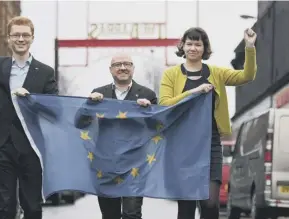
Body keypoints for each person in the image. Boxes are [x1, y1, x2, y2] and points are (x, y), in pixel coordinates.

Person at [159, 27, 257, 219]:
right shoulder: (171, 75)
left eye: (198, 44)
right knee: (186, 208)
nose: (193, 48)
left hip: (210, 143)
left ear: (204, 48)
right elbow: (164, 104)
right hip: (182, 145)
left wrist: (249, 47)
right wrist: (193, 92)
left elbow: (247, 75)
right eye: (189, 43)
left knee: (210, 203)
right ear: (182, 46)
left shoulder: (216, 73)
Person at [0, 16, 58, 219]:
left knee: (32, 207)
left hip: (32, 147)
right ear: (9, 38)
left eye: (25, 35)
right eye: (16, 34)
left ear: (32, 38)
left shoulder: (45, 72)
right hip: (2, 145)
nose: (20, 39)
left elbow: (53, 108)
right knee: (6, 207)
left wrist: (32, 99)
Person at [88, 53, 157, 219]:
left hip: (135, 165)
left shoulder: (147, 94)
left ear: (133, 68)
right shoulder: (98, 94)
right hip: (105, 166)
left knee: (132, 214)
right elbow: (80, 122)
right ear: (111, 70)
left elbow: (157, 127)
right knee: (109, 215)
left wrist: (148, 111)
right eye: (118, 64)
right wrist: (88, 104)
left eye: (127, 64)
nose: (123, 67)